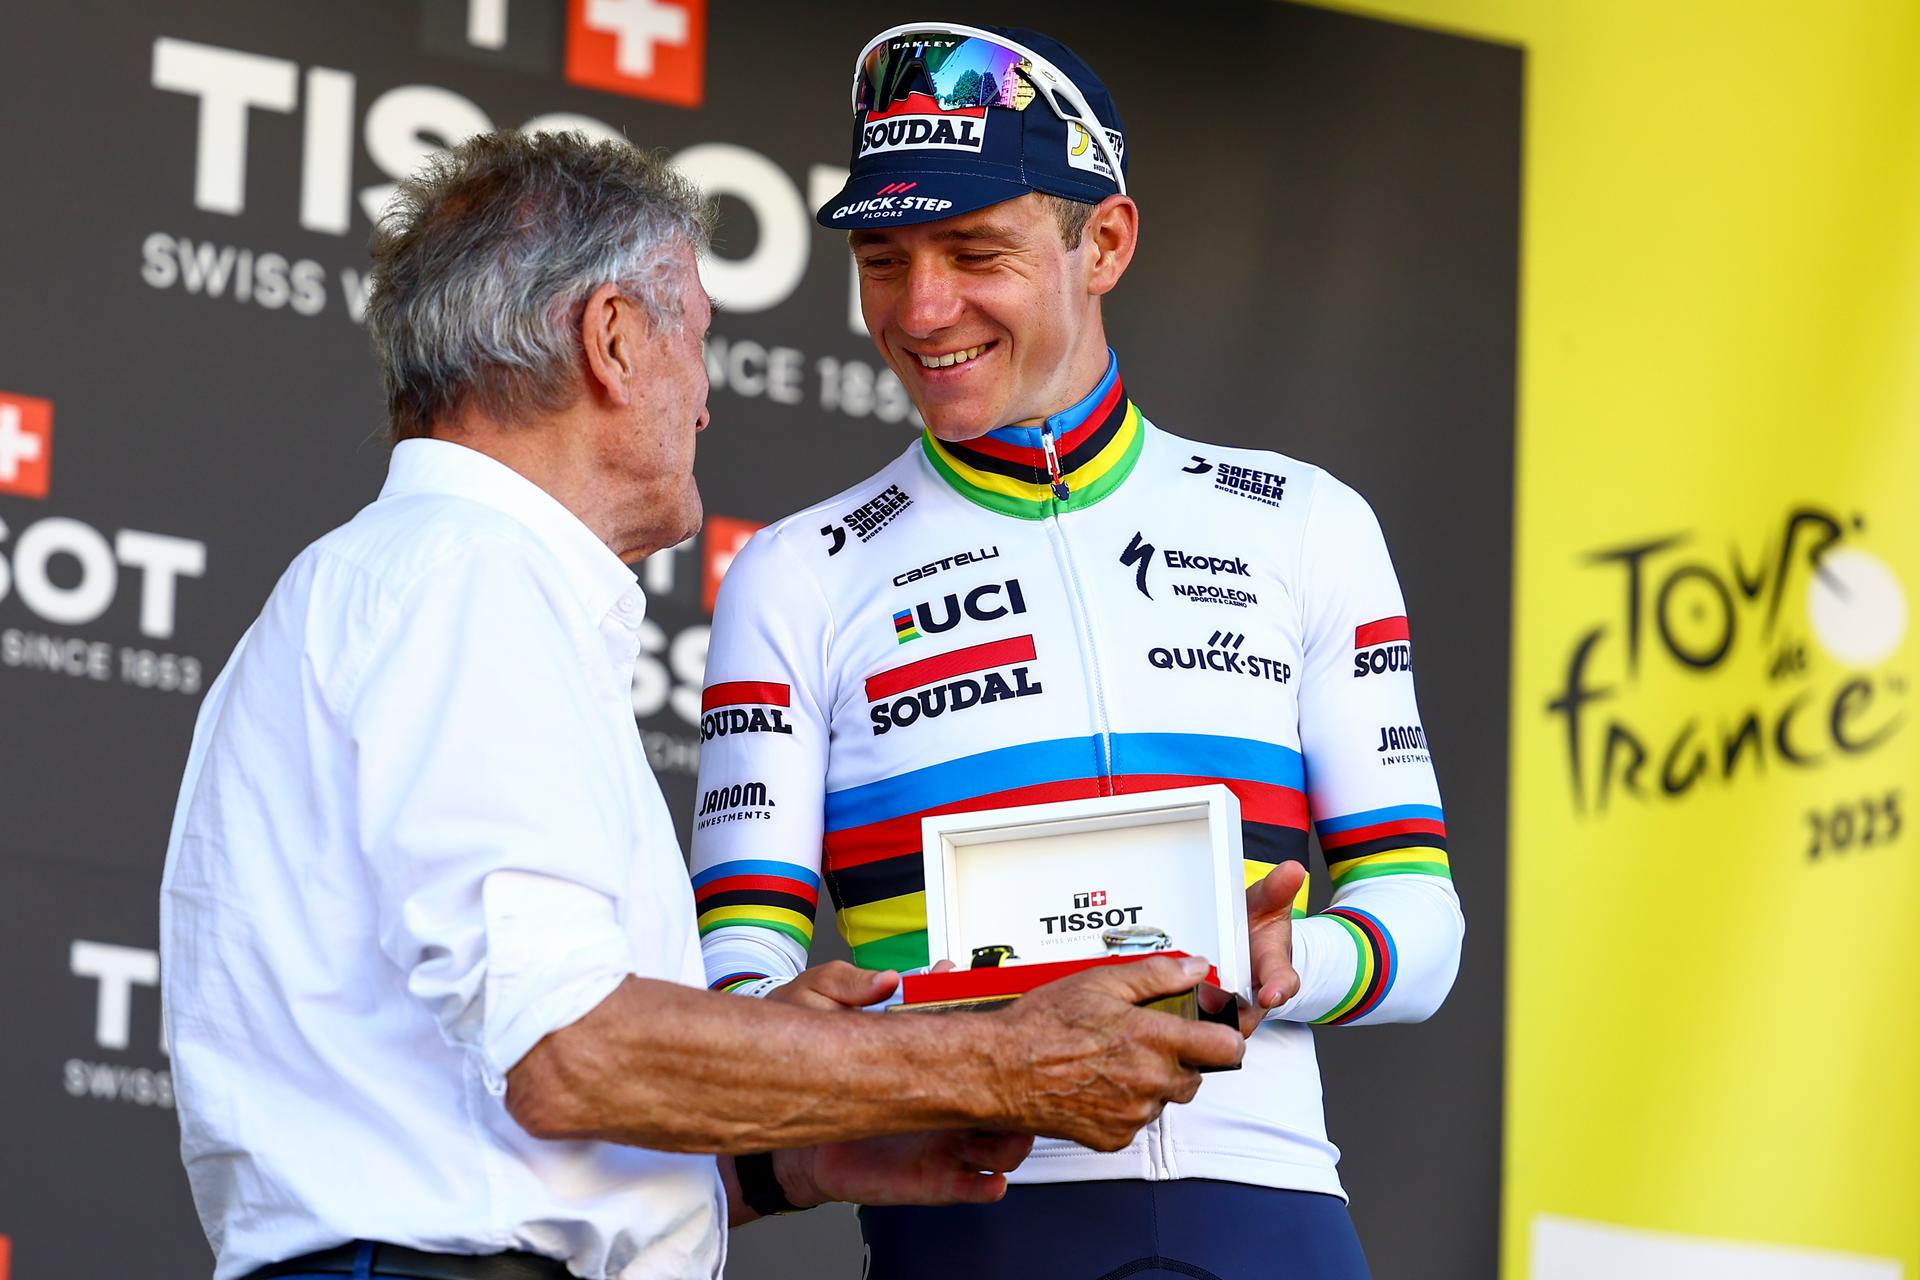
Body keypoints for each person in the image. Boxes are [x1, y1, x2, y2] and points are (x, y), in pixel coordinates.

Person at [158, 130, 1250, 1280]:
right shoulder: (464, 579)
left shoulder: (418, 581)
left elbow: (501, 1118)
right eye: (700, 341)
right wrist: (1000, 1061)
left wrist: (801, 1155)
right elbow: (569, 1051)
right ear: (616, 341)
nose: (710, 405)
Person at [691, 22, 1466, 1280]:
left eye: (974, 252)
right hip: (970, 1215)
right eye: (884, 261)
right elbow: (739, 964)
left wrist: (1290, 958)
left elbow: (1420, 921)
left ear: (1103, 242)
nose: (922, 309)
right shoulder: (797, 571)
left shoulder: (1302, 523)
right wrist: (880, 1031)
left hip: (1265, 1203)